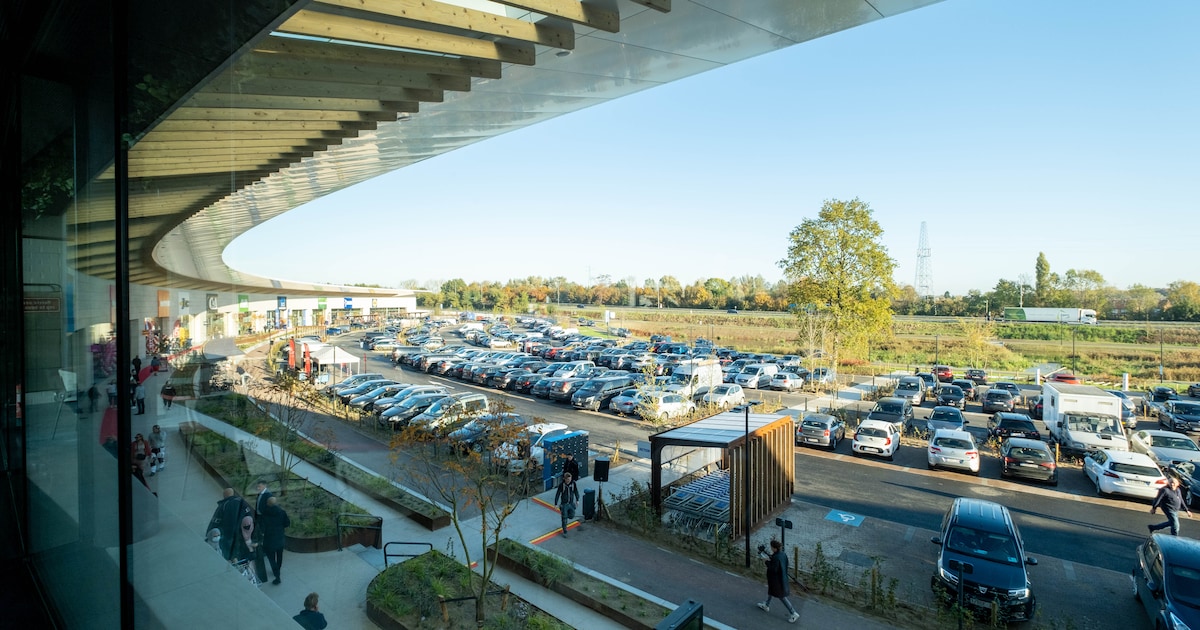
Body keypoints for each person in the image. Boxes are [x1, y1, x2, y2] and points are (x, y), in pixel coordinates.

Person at [756, 539, 799, 623]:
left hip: (776, 580)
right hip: (781, 577)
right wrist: (771, 560)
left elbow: (773, 569)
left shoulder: (776, 557)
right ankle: (766, 605)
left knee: (781, 596)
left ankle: (793, 613)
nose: (771, 549)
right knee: (771, 591)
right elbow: (782, 564)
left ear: (774, 548)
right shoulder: (782, 554)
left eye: (771, 547)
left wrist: (766, 562)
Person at [208, 488, 254, 561]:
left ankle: (232, 560)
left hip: (227, 533)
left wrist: (210, 532)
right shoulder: (243, 502)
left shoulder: (224, 505)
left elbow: (216, 520)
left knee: (229, 551)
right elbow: (249, 516)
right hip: (242, 532)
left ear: (224, 495)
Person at [260, 496, 290, 584]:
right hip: (280, 538)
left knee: (271, 558)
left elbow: (262, 527)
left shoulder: (264, 513)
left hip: (269, 540)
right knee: (279, 556)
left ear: (268, 504)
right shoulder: (282, 512)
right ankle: (278, 570)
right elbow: (287, 523)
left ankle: (277, 574)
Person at [554, 472, 580, 537]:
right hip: (564, 504)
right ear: (565, 479)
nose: (569, 480)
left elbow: (576, 491)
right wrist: (556, 503)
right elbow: (558, 494)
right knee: (564, 519)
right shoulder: (562, 485)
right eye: (568, 479)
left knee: (572, 516)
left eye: (570, 479)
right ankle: (565, 530)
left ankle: (565, 515)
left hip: (571, 503)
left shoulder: (573, 484)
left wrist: (577, 499)